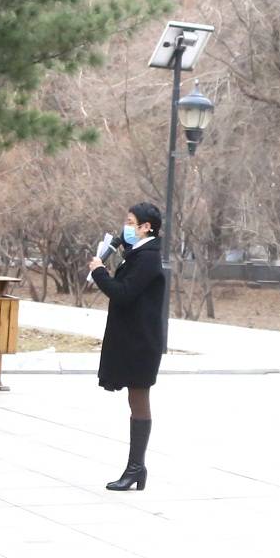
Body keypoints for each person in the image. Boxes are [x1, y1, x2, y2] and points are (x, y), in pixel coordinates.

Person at [89, 202, 168, 491]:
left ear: (146, 227)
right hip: (134, 339)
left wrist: (99, 272)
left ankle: (136, 468)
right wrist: (118, 249)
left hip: (141, 342)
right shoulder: (140, 253)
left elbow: (123, 293)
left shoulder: (148, 258)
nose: (127, 226)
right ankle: (136, 468)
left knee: (139, 399)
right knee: (136, 400)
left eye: (131, 222)